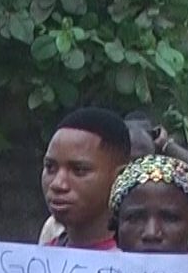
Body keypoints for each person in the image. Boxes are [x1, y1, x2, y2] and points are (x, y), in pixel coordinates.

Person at [38, 107, 132, 251]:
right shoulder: (39, 259)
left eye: (79, 170)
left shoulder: (141, 266)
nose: (57, 184)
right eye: (50, 167)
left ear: (120, 177)